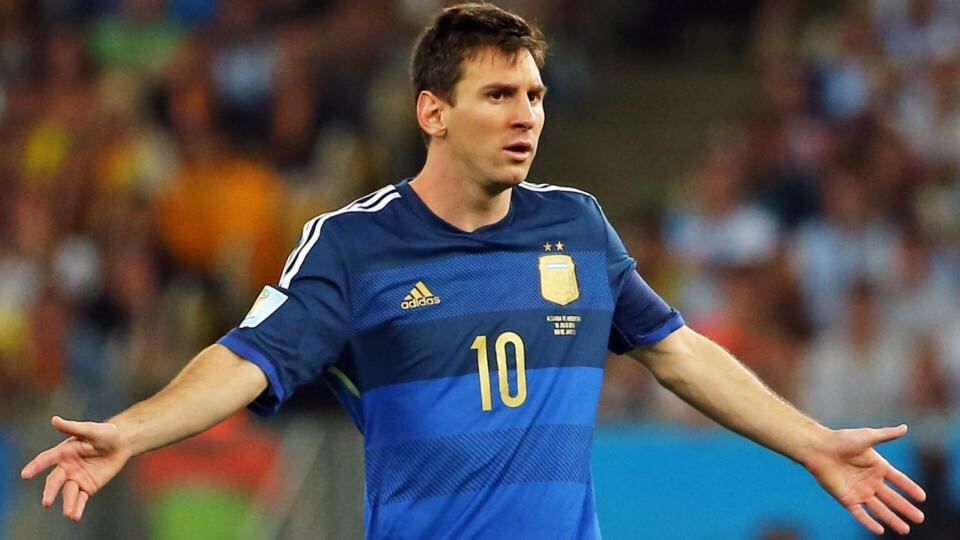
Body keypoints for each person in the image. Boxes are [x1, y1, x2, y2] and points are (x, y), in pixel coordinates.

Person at [21, 4, 926, 538]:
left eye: (533, 93)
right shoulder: (354, 243)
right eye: (497, 94)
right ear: (432, 112)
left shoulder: (576, 224)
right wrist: (132, 433)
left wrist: (811, 441)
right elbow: (247, 355)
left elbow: (676, 350)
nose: (526, 113)